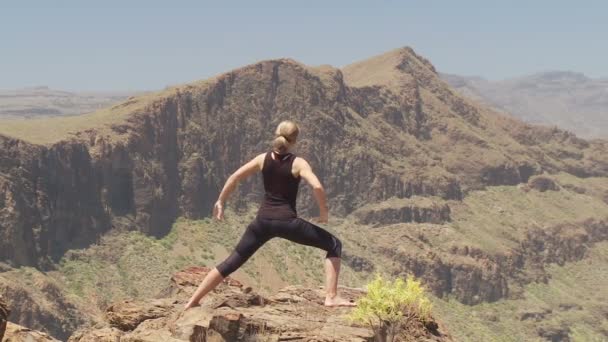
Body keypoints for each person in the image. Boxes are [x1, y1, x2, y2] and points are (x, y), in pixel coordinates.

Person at [184, 120, 355, 309]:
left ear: (276, 135)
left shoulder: (262, 159)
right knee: (333, 244)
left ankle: (192, 301)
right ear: (295, 141)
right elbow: (317, 186)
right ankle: (331, 297)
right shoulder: (298, 163)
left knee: (232, 261)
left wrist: (221, 201)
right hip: (287, 223)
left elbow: (234, 177)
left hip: (262, 222)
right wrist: (324, 212)